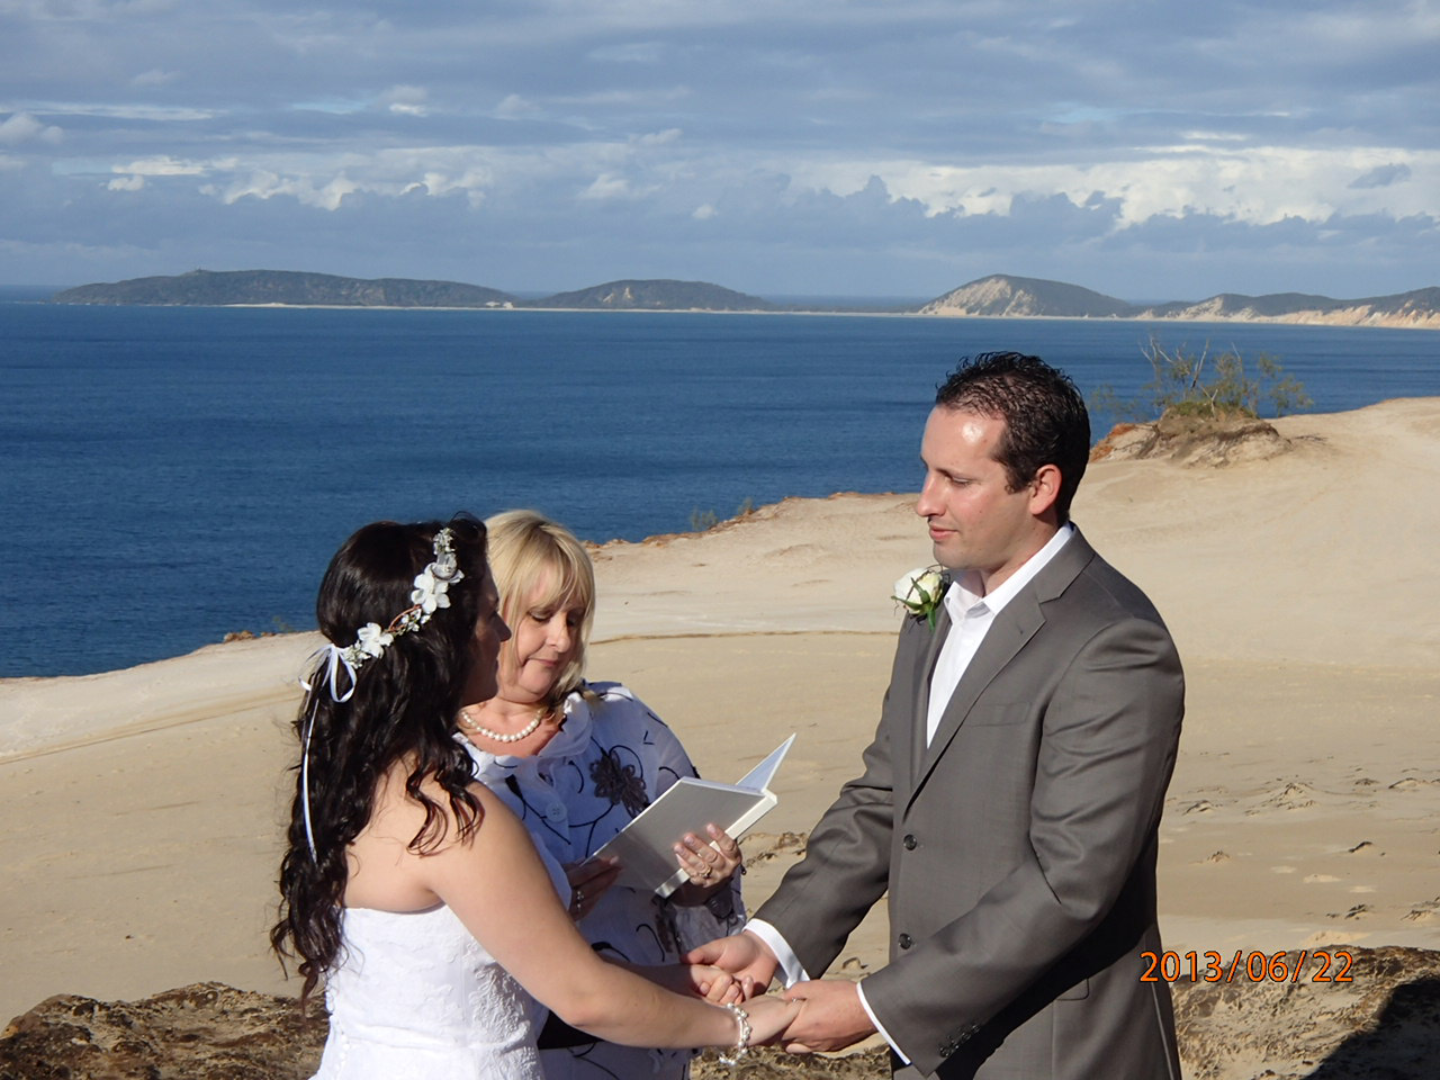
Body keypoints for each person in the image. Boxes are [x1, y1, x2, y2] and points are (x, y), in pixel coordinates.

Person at [691, 353, 1186, 1080]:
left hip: (1057, 1051)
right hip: (936, 1056)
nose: (925, 501)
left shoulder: (1114, 643)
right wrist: (774, 941)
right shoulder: (937, 607)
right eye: (927, 471)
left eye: (957, 480)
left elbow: (1069, 882)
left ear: (1041, 486)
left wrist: (875, 1006)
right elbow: (886, 795)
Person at [271, 515, 794, 1080]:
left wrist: (680, 976)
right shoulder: (453, 814)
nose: (501, 633)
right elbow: (583, 996)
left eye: (574, 617)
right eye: (494, 614)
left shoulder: (353, 780)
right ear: (446, 639)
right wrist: (745, 1025)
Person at [453, 509, 746, 1080]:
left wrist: (704, 881)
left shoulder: (623, 721)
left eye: (575, 617)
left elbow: (686, 887)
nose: (562, 639)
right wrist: (538, 900)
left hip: (646, 1045)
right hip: (516, 1053)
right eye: (540, 617)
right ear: (488, 613)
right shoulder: (435, 758)